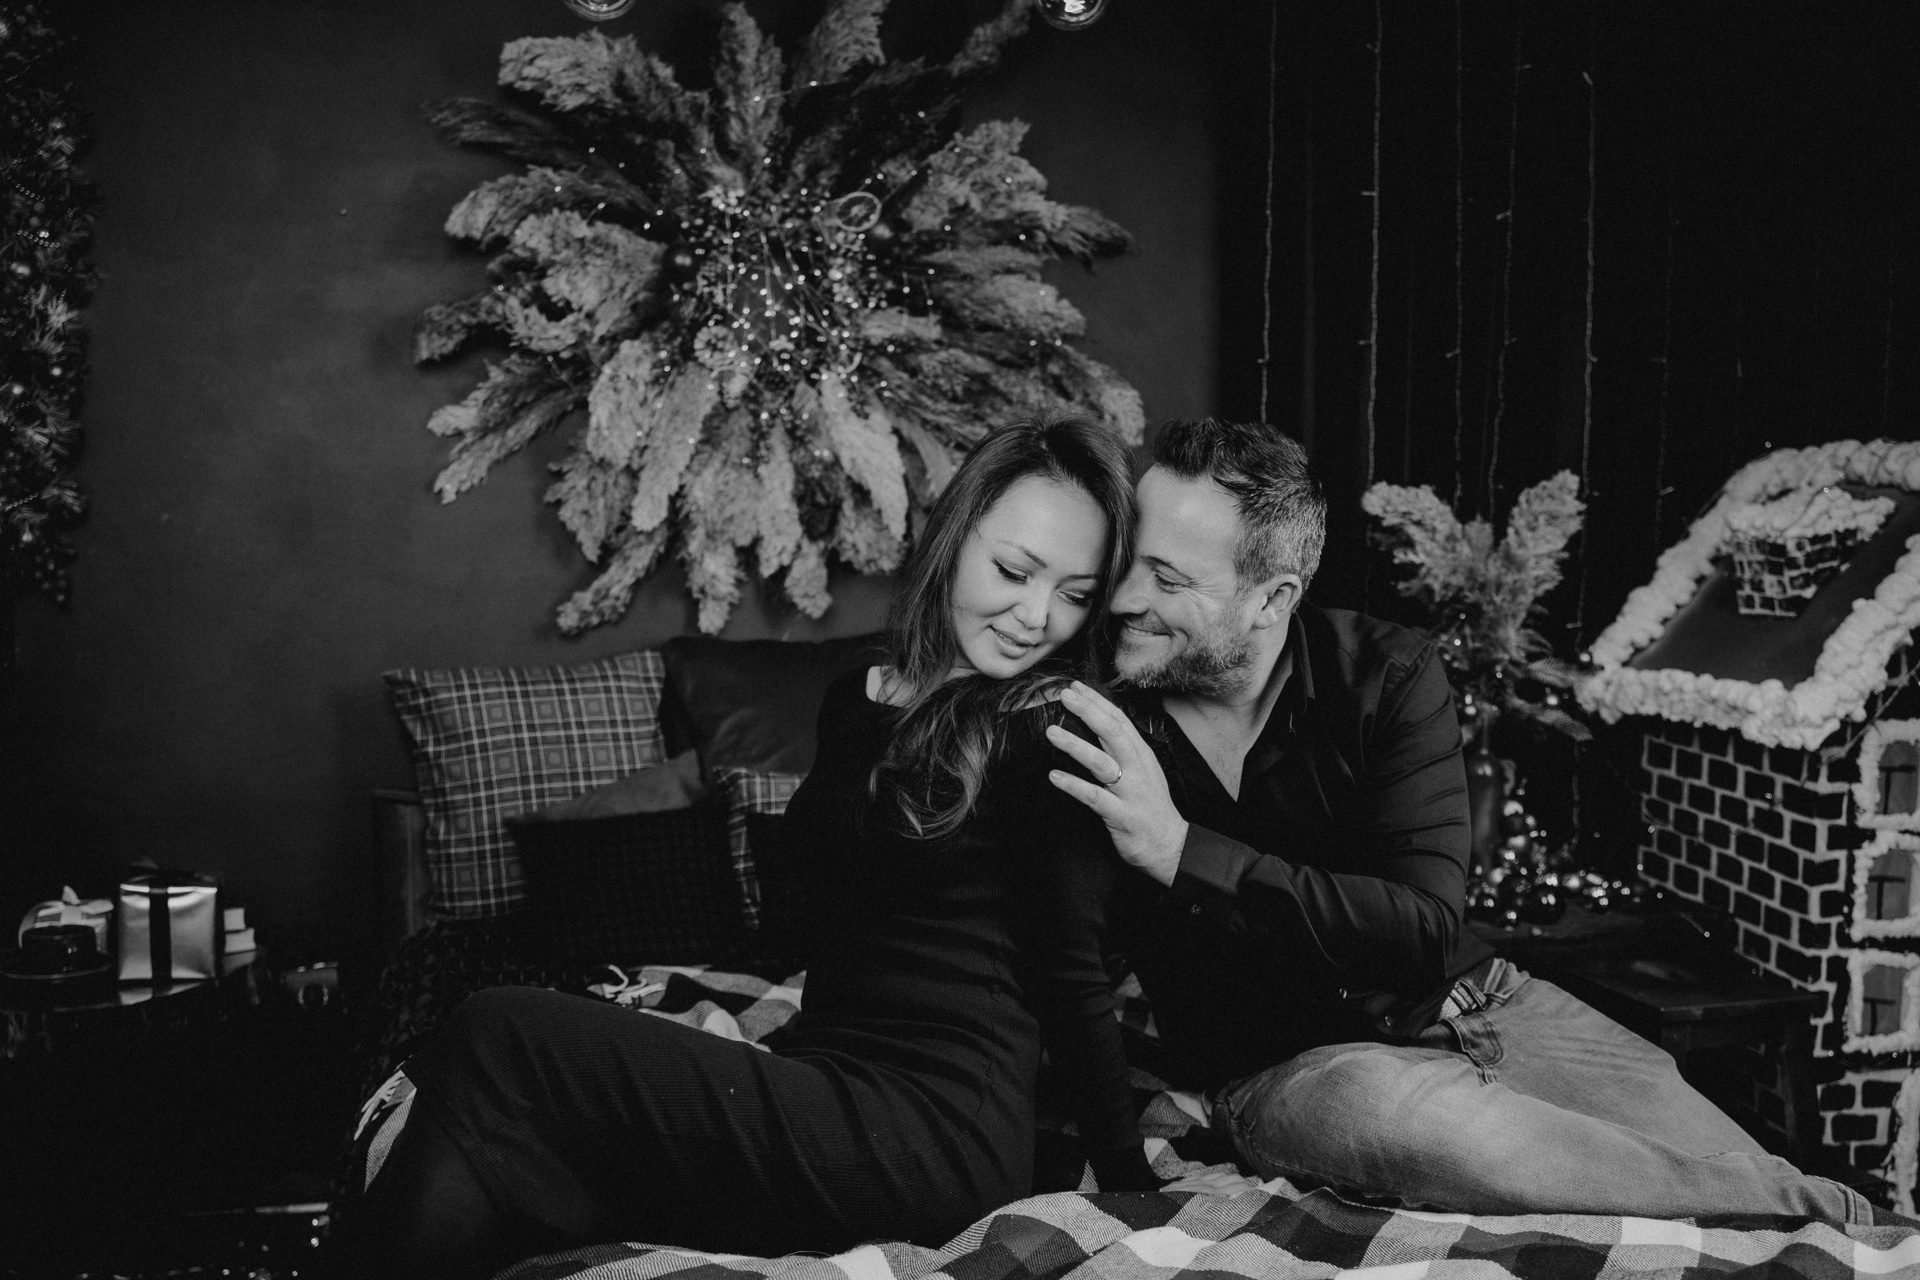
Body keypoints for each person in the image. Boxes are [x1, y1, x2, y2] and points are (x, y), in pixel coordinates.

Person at [340, 415, 1162, 1280]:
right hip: (831, 1080)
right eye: (1014, 572)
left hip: (937, 1132)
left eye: (1075, 594)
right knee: (515, 1154)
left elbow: (1074, 978)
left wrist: (1130, 1185)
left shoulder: (1051, 728)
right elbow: (819, 916)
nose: (1037, 617)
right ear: (952, 542)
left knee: (498, 1029)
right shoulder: (860, 699)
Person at [1044, 416, 1885, 1224]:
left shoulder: (1388, 675)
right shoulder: (1095, 718)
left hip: (1492, 1003)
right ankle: (1848, 1217)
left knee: (1751, 1175)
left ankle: (1865, 1229)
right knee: (1406, 1117)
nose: (1124, 598)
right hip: (1295, 1071)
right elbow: (1069, 968)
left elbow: (1421, 929)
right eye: (1128, 562)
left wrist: (1182, 851)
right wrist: (1124, 1173)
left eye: (1169, 580)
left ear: (1272, 599)